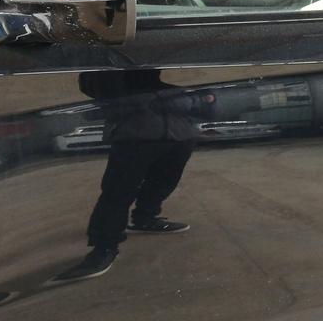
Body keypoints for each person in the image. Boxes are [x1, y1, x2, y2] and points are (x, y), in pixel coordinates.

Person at [52, 70, 215, 283]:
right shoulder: (113, 64)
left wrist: (192, 100)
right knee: (118, 191)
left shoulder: (172, 64)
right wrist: (146, 98)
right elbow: (93, 88)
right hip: (134, 135)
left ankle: (145, 218)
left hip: (180, 135)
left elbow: (204, 93)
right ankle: (104, 247)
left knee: (164, 182)